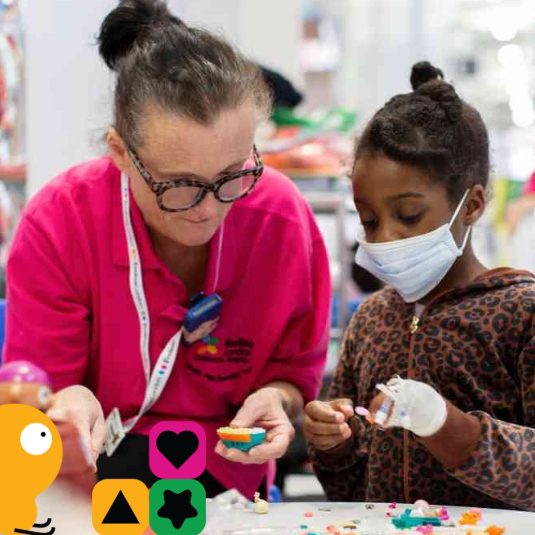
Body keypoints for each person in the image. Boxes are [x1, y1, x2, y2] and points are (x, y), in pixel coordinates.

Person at [4, 0, 331, 498]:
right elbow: (39, 390)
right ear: (120, 153)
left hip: (231, 490)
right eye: (180, 184)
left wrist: (276, 399)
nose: (207, 208)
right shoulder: (60, 222)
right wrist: (65, 402)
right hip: (91, 484)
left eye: (232, 176)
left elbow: (293, 378)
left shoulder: (282, 222)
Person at [304, 61, 535, 511]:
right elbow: (349, 493)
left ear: (471, 204)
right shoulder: (370, 320)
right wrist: (334, 445)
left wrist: (450, 428)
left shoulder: (521, 314)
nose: (383, 238)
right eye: (369, 220)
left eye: (408, 216)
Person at [505, 170, 535, 234]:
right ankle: (510, 238)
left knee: (513, 209)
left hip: (530, 198)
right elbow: (527, 192)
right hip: (528, 197)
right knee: (511, 208)